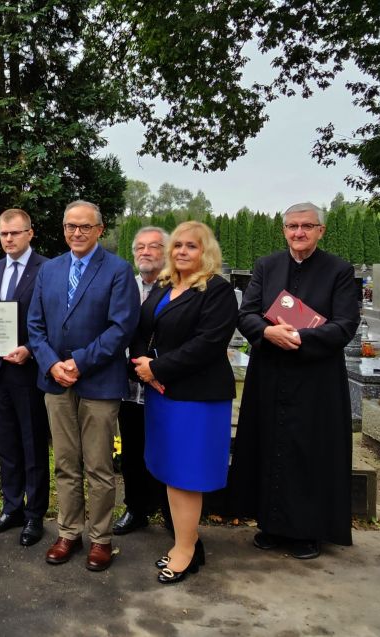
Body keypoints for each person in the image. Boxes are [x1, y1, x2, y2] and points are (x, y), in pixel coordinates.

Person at [228, 202, 359, 559]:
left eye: (307, 226)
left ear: (321, 231)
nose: (298, 232)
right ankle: (270, 524)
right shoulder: (266, 266)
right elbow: (247, 313)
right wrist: (267, 333)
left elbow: (345, 324)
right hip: (270, 372)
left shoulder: (339, 270)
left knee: (308, 450)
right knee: (269, 444)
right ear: (284, 230)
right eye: (292, 226)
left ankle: (306, 530)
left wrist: (300, 338)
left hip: (316, 378)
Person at [27, 200, 139, 571]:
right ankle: (69, 532)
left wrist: (80, 362)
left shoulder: (118, 270)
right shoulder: (50, 269)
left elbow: (121, 328)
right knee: (64, 463)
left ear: (100, 230)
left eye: (85, 226)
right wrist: (51, 363)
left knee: (99, 467)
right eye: (70, 226)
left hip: (99, 383)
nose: (77, 232)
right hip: (56, 381)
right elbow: (35, 325)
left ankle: (101, 539)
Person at [129, 221, 238, 584]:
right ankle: (185, 542)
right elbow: (142, 330)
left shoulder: (217, 290)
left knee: (186, 476)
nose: (181, 252)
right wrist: (143, 367)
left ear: (206, 252)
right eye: (177, 245)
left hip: (197, 398)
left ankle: (186, 551)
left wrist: (157, 368)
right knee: (170, 471)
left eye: (191, 246)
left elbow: (208, 344)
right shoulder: (165, 286)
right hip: (162, 394)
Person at [0, 209, 49, 546]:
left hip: (28, 371)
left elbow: (52, 319)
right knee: (6, 445)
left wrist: (31, 349)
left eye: (15, 233)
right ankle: (11, 508)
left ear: (30, 233)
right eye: (3, 234)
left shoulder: (47, 269)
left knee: (32, 445)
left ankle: (34, 515)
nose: (8, 239)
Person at [114, 226, 172, 536]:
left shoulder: (178, 289)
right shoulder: (125, 287)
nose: (145, 252)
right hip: (128, 387)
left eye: (153, 246)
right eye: (140, 247)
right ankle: (136, 508)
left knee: (166, 450)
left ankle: (171, 513)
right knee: (132, 451)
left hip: (165, 386)